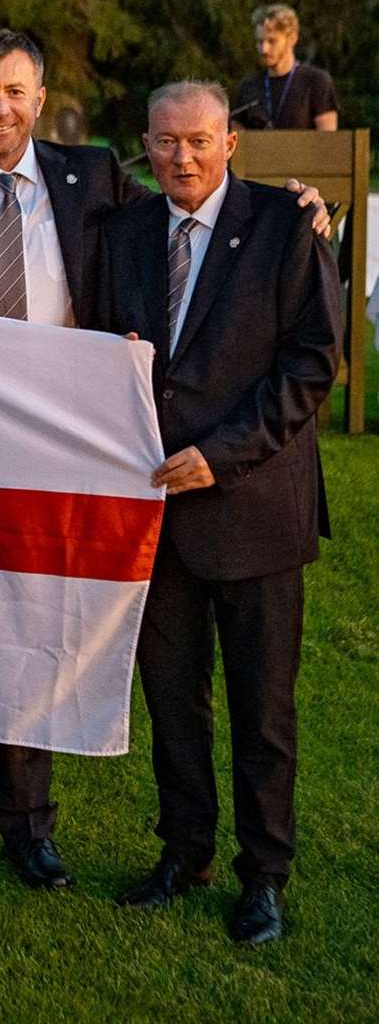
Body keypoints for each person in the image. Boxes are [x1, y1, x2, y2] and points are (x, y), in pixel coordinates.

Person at [0, 32, 330, 898]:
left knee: (31, 642)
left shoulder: (98, 187)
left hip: (91, 473)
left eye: (14, 90)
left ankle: (39, 832)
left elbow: (293, 336)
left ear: (40, 98)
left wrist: (305, 202)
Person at [102, 81, 340, 946]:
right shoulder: (124, 231)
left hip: (253, 506)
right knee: (174, 701)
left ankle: (264, 874)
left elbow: (313, 364)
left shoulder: (285, 227)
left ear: (230, 141)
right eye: (166, 142)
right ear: (145, 144)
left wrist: (222, 455)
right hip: (155, 512)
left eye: (199, 140)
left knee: (262, 710)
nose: (183, 157)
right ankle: (184, 850)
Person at [232, 5, 338, 131]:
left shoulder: (316, 82)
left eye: (272, 41)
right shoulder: (248, 87)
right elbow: (234, 142)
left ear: (292, 39)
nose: (264, 49)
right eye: (260, 42)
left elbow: (329, 141)